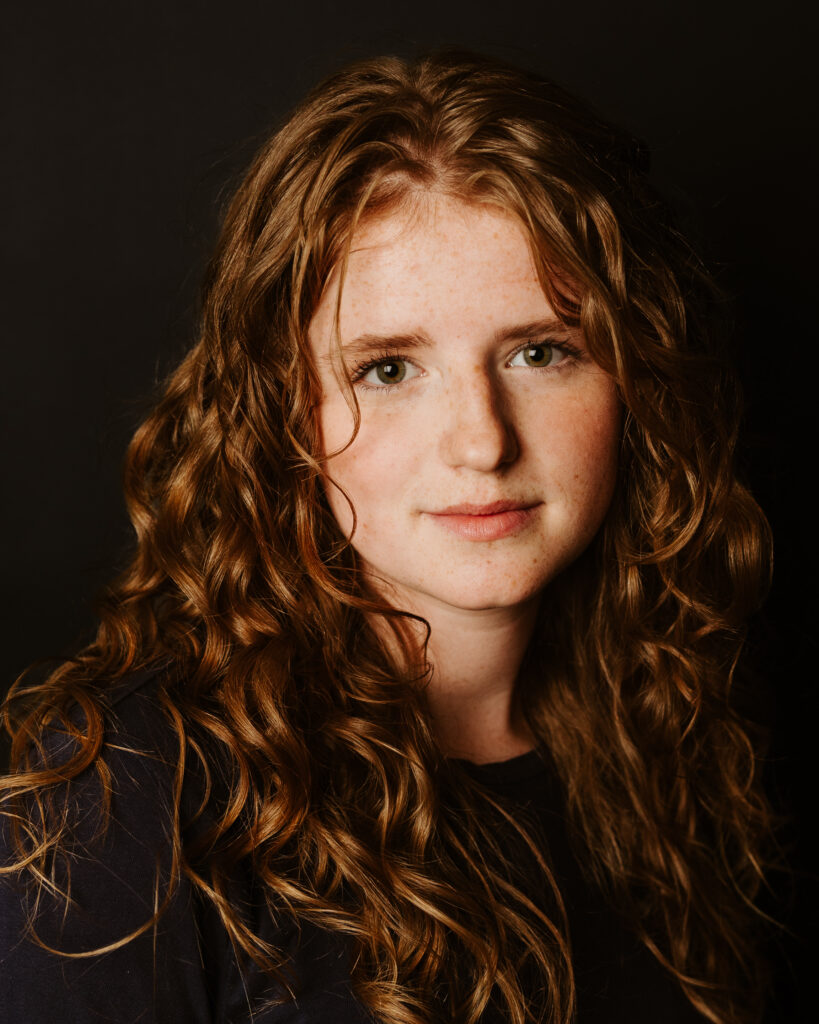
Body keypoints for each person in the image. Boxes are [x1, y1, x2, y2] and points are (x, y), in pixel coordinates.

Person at [0, 50, 777, 1024]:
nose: (482, 441)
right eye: (389, 369)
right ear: (283, 410)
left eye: (542, 351)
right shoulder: (124, 803)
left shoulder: (665, 740)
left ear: (634, 380)